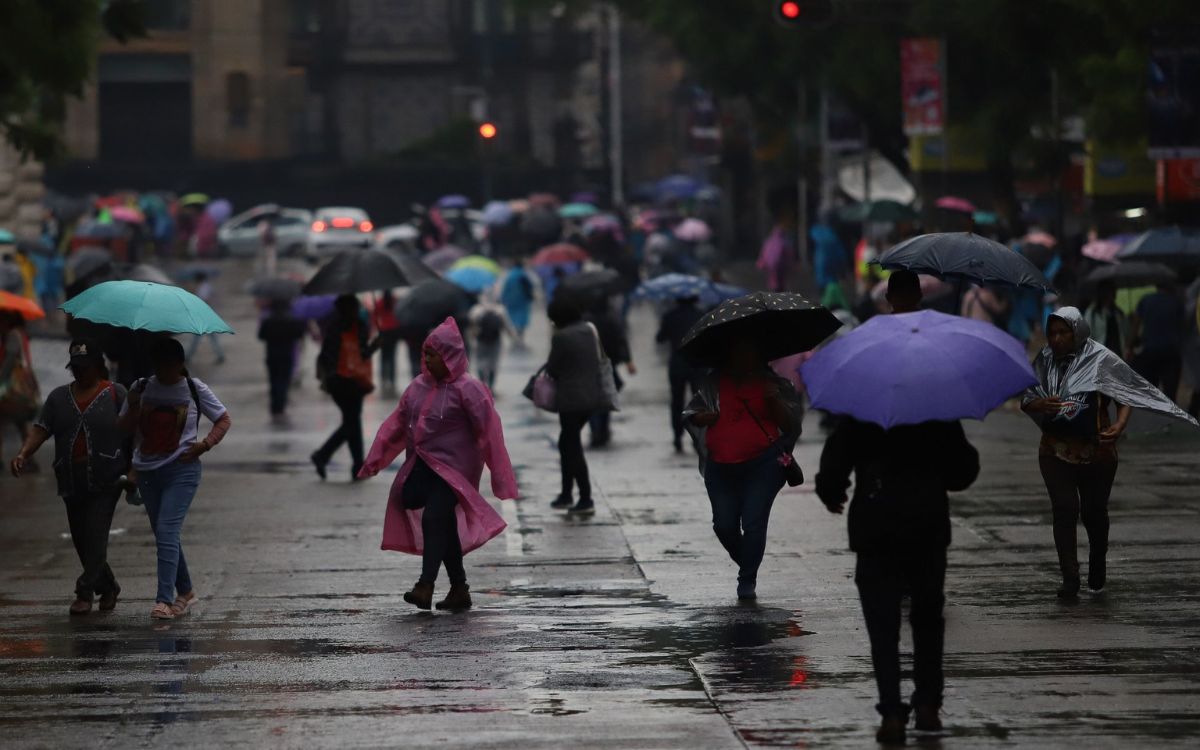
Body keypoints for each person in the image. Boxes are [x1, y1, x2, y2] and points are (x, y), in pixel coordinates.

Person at [815, 417, 980, 744]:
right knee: (928, 618)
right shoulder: (937, 412)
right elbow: (963, 470)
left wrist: (832, 491)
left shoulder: (861, 412)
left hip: (875, 526)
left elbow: (834, 464)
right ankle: (928, 704)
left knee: (882, 626)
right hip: (926, 524)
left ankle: (892, 711)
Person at [359, 318, 518, 610]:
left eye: (433, 354)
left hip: (456, 472)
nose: (427, 359)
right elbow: (395, 426)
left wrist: (501, 476)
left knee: (434, 518)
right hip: (423, 467)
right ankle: (459, 589)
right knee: (441, 522)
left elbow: (490, 433)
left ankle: (425, 586)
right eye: (426, 353)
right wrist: (374, 460)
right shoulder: (418, 387)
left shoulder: (470, 389)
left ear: (450, 356)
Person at [1022, 308, 1133, 599]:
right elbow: (1027, 398)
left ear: (1077, 332)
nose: (1057, 339)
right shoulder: (1045, 360)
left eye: (1064, 333)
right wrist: (1040, 405)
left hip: (1098, 450)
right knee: (1065, 508)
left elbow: (1127, 395)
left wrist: (1120, 425)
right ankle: (1069, 577)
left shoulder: (1100, 359)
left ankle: (1098, 559)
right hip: (1055, 450)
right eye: (1053, 333)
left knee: (1094, 512)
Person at [10, 340, 128, 615]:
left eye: (85, 368)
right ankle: (108, 586)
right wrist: (23, 454)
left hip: (107, 479)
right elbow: (41, 428)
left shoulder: (116, 394)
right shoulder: (58, 398)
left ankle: (84, 592)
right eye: (75, 367)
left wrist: (136, 468)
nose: (80, 373)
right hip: (70, 479)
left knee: (96, 537)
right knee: (81, 540)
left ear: (99, 368)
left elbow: (135, 427)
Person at [118, 338, 231, 620]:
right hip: (147, 470)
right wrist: (132, 406)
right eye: (159, 365)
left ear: (181, 364)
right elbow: (123, 428)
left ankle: (163, 600)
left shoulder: (194, 388)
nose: (164, 371)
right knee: (163, 533)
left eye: (169, 365)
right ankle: (187, 592)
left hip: (182, 471)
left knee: (167, 531)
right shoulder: (141, 387)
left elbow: (223, 419)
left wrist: (204, 445)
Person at [683, 338, 804, 600]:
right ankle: (748, 561)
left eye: (748, 353)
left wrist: (774, 402)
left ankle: (747, 579)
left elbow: (792, 424)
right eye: (737, 353)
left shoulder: (775, 384)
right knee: (723, 525)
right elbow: (691, 413)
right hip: (720, 467)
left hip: (763, 465)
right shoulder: (712, 383)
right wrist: (701, 417)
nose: (742, 359)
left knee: (753, 523)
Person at [546, 298, 610, 515]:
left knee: (571, 446)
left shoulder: (561, 337)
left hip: (571, 399)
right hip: (591, 396)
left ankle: (585, 497)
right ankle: (566, 494)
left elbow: (553, 369)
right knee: (567, 443)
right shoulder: (589, 329)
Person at [312, 295, 379, 481]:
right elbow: (357, 354)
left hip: (347, 382)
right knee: (352, 422)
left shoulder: (337, 327)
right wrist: (372, 347)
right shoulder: (351, 327)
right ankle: (342, 461)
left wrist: (374, 346)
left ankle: (351, 463)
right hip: (344, 383)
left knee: (352, 422)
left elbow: (358, 354)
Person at [656, 296, 705, 452]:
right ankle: (697, 438)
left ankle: (677, 436)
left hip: (677, 364)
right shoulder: (701, 315)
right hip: (697, 364)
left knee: (676, 401)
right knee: (698, 402)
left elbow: (660, 338)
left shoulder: (669, 316)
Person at [586, 300, 636, 448]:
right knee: (607, 397)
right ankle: (603, 428)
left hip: (590, 365)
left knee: (592, 399)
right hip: (609, 364)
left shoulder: (586, 321)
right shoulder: (612, 319)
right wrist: (628, 361)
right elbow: (622, 340)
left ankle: (595, 429)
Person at [1131, 282, 1185, 403]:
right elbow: (1182, 327)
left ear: (1156, 287)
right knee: (1170, 391)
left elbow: (1136, 325)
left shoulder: (1145, 300)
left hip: (1150, 350)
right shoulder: (1176, 302)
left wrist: (1131, 345)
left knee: (1151, 389)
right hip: (1171, 352)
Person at [0, 312, 40, 468]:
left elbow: (10, 360)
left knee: (9, 421)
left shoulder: (12, 335)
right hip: (20, 390)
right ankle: (29, 459)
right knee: (20, 423)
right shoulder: (20, 334)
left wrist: (1, 378)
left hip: (12, 389)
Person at [258, 300, 308, 421]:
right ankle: (280, 406)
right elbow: (300, 333)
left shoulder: (268, 320)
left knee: (273, 380)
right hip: (286, 354)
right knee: (284, 381)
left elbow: (261, 336)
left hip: (272, 355)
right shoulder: (291, 319)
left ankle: (275, 406)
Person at [468, 299, 513, 391]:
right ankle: (491, 387)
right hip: (495, 341)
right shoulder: (500, 310)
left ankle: (482, 385)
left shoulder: (476, 310)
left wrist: (471, 337)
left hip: (480, 340)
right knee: (493, 363)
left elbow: (471, 325)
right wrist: (511, 335)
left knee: (480, 362)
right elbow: (506, 325)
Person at [185, 272, 225, 365]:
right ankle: (220, 355)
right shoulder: (206, 286)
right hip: (207, 315)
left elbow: (203, 300)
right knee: (210, 337)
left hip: (204, 316)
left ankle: (189, 356)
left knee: (197, 337)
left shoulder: (203, 287)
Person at [1084, 280, 1131, 358]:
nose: (1109, 295)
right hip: (1100, 356)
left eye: (1111, 292)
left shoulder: (1118, 313)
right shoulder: (1092, 313)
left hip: (1118, 355)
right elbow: (1087, 336)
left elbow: (1126, 332)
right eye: (1106, 292)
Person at [756, 212, 796, 292]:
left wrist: (761, 264)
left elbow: (763, 254)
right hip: (781, 267)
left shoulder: (768, 241)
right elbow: (789, 256)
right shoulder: (785, 242)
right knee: (780, 284)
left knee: (773, 283)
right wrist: (792, 266)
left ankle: (774, 295)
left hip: (770, 267)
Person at [374, 290, 402, 396]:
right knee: (392, 356)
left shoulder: (379, 302)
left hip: (384, 331)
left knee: (383, 357)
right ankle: (392, 379)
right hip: (394, 331)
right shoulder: (395, 301)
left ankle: (383, 378)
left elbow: (374, 317)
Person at [499, 264, 536, 343]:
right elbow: (531, 286)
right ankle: (520, 333)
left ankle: (516, 333)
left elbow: (506, 288)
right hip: (523, 300)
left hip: (511, 301)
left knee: (514, 317)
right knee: (522, 317)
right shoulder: (524, 275)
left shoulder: (510, 276)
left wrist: (503, 299)